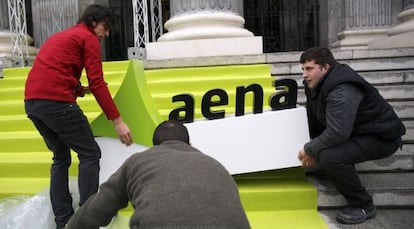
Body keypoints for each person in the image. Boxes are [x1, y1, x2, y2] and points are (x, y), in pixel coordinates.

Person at [24, 4, 133, 229]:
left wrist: (78, 89)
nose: (107, 34)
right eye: (106, 27)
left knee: (61, 157)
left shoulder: (62, 36)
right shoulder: (88, 37)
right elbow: (98, 83)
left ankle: (63, 221)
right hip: (56, 103)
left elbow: (52, 70)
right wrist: (118, 120)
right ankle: (88, 218)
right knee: (90, 153)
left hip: (33, 103)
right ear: (93, 21)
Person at [66, 120, 251, 229]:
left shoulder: (140, 161)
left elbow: (97, 209)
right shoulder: (217, 166)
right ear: (190, 145)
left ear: (155, 147)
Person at [297, 47, 406, 224]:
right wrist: (306, 144)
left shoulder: (342, 89)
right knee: (321, 154)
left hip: (380, 136)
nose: (304, 74)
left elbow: (337, 133)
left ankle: (363, 205)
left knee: (330, 156)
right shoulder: (316, 84)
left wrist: (310, 149)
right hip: (356, 132)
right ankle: (328, 169)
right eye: (302, 69)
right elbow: (314, 118)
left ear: (325, 67)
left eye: (309, 69)